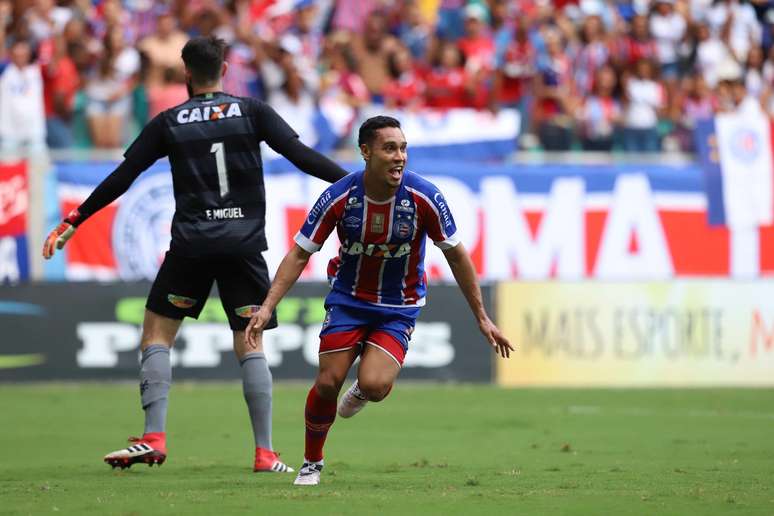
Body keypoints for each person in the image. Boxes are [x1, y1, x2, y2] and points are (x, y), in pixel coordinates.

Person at [41, 36, 349, 473]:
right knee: (250, 341)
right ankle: (264, 452)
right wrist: (354, 185)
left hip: (192, 245)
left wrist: (76, 218)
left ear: (186, 72)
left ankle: (154, 436)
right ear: (224, 69)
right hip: (243, 245)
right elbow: (301, 155)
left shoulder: (169, 121)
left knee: (157, 335)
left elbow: (124, 175)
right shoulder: (253, 111)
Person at [245, 115, 513, 486]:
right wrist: (269, 305)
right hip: (348, 300)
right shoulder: (339, 196)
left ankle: (362, 391)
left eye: (403, 148)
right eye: (390, 148)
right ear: (366, 152)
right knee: (327, 383)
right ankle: (312, 462)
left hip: (398, 308)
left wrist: (482, 317)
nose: (399, 156)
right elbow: (299, 254)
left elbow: (457, 255)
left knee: (374, 386)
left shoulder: (424, 197)